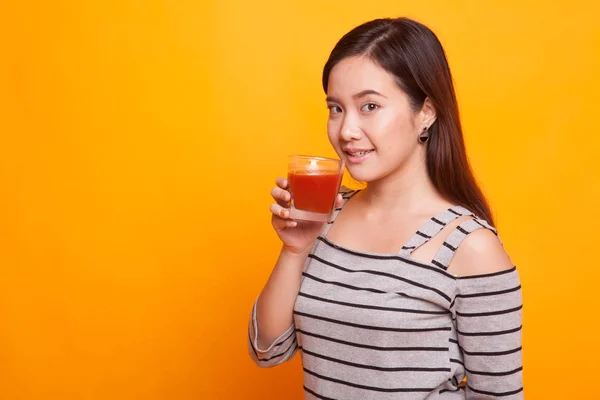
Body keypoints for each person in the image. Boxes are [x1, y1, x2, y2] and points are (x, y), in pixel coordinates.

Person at [248, 17, 523, 399]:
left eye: (370, 106)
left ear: (426, 111)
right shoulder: (327, 214)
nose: (346, 131)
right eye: (336, 108)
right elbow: (267, 351)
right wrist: (294, 249)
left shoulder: (470, 247)